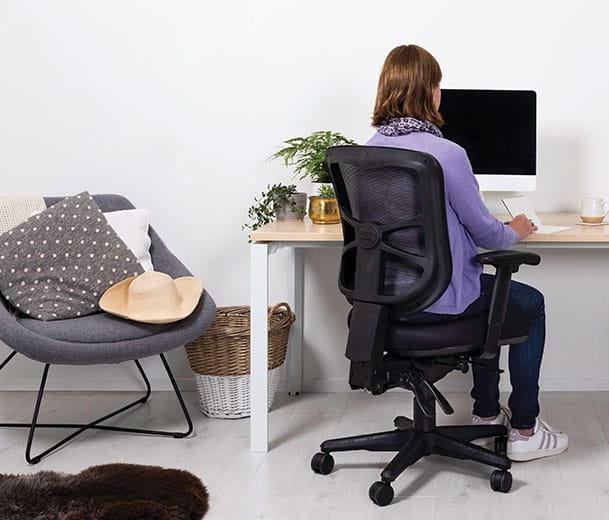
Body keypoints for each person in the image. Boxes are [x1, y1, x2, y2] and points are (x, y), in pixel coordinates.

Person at [367, 44, 568, 461]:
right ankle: (525, 429)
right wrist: (515, 229)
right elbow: (487, 235)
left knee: (483, 284)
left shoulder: (365, 152)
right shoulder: (448, 153)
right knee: (528, 302)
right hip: (441, 300)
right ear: (432, 92)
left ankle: (486, 414)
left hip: (388, 301)